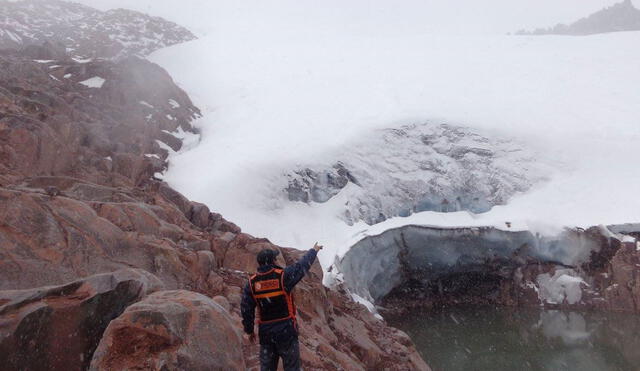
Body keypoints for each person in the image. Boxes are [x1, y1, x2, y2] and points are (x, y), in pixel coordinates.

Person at [241, 242, 323, 371]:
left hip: (266, 335)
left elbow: (246, 309)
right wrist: (313, 251)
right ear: (273, 261)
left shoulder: (252, 283)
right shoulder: (282, 277)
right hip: (287, 333)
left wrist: (249, 330)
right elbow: (301, 266)